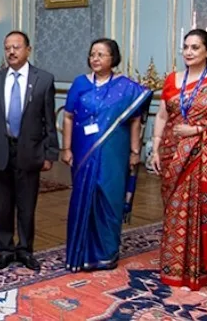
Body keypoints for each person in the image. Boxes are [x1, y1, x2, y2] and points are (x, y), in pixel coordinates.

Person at [60, 38, 152, 272]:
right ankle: (80, 253)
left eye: (101, 54)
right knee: (83, 200)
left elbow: (135, 121)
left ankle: (106, 254)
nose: (95, 59)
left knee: (109, 200)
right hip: (83, 153)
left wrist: (134, 152)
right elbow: (69, 116)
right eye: (92, 54)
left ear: (113, 58)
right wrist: (67, 148)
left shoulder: (126, 87)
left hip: (114, 154)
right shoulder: (80, 83)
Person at [151, 28, 207, 290]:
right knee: (173, 210)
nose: (188, 52)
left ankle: (198, 268)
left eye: (195, 47)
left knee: (195, 209)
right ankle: (173, 266)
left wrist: (197, 130)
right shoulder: (173, 79)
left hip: (201, 154)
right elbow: (162, 115)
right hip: (173, 153)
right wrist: (155, 147)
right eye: (186, 47)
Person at [0, 31, 59, 271]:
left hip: (30, 151)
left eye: (16, 47)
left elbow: (48, 119)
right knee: (2, 206)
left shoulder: (43, 79)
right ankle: (4, 250)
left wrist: (50, 153)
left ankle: (25, 250)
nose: (11, 52)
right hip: (0, 150)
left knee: (26, 205)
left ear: (28, 50)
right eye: (7, 48)